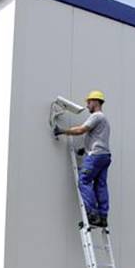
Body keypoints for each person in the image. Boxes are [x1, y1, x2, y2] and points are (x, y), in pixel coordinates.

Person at [54, 90, 111, 228]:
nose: (87, 105)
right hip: (104, 156)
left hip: (96, 156)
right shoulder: (105, 120)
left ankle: (92, 214)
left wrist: (62, 131)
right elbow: (97, 139)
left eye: (89, 102)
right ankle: (103, 217)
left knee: (84, 180)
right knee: (100, 185)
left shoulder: (96, 116)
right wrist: (84, 149)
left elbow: (81, 130)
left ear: (96, 102)